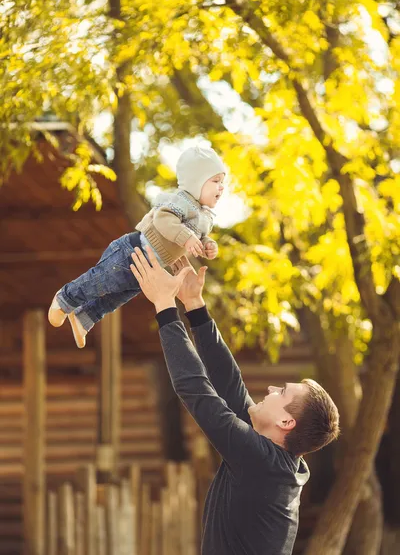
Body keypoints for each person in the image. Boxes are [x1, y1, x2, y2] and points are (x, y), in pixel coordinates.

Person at [130, 247, 340, 555]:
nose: (270, 388)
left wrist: (164, 305)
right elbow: (229, 384)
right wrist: (194, 304)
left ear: (286, 422)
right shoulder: (274, 458)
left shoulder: (263, 464)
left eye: (280, 393)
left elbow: (197, 391)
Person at [48, 145, 226, 348]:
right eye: (215, 181)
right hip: (132, 251)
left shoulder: (204, 217)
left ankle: (84, 318)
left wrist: (207, 245)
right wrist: (186, 238)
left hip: (148, 267)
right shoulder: (181, 201)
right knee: (102, 280)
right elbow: (163, 220)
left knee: (118, 296)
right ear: (196, 182)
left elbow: (199, 238)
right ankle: (65, 298)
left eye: (223, 182)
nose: (221, 187)